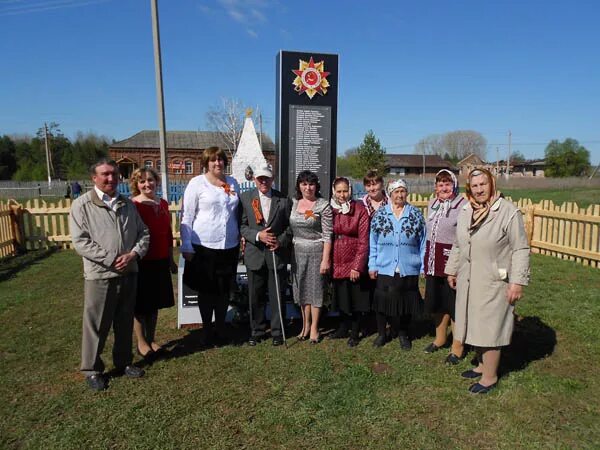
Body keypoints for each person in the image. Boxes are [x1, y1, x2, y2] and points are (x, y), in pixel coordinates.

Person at [445, 168, 530, 394]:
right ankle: (482, 365)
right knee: (474, 321)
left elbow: (521, 248)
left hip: (494, 279)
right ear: (469, 188)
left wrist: (517, 282)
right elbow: (458, 243)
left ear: (491, 184)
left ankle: (490, 377)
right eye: (475, 186)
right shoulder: (466, 210)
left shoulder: (508, 212)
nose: (479, 189)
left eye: (483, 184)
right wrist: (452, 269)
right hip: (469, 276)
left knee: (490, 326)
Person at [69, 158, 149, 391]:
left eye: (114, 174)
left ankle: (124, 362)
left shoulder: (127, 204)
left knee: (124, 322)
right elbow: (81, 242)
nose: (111, 178)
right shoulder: (82, 205)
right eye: (105, 174)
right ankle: (93, 370)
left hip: (129, 272)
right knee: (97, 324)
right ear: (94, 178)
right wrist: (111, 258)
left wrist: (133, 254)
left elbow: (143, 233)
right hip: (101, 275)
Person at [181, 147, 240, 346]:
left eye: (221, 160)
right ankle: (207, 329)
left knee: (224, 290)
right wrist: (186, 244)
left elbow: (236, 213)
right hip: (204, 245)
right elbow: (187, 215)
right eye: (213, 160)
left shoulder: (233, 183)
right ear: (206, 163)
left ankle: (221, 327)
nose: (218, 164)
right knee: (206, 290)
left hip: (228, 244)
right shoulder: (197, 183)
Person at [368, 179, 426, 350]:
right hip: (385, 265)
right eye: (396, 192)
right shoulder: (380, 215)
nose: (400, 195)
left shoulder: (415, 214)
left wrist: (422, 266)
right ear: (390, 194)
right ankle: (381, 333)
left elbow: (423, 243)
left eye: (403, 191)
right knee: (382, 301)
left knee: (406, 302)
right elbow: (373, 241)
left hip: (409, 266)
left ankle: (403, 333)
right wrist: (372, 264)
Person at [239, 165, 292, 346]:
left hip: (275, 254)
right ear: (254, 179)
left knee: (277, 295)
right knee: (256, 295)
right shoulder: (246, 198)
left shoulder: (283, 199)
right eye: (260, 178)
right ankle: (257, 330)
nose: (263, 181)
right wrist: (258, 235)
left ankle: (278, 331)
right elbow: (242, 226)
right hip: (255, 254)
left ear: (272, 179)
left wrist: (280, 241)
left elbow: (290, 227)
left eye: (267, 178)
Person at [129, 168, 177, 358]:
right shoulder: (133, 205)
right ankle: (141, 343)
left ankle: (151, 339)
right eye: (142, 181)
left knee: (155, 303)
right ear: (136, 184)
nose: (147, 184)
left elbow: (167, 233)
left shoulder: (163, 203)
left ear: (156, 181)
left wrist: (171, 259)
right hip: (142, 261)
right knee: (141, 305)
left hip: (161, 260)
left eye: (150, 180)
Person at [423, 169, 467, 364]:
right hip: (433, 259)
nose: (444, 188)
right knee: (438, 303)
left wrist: (457, 266)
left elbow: (463, 237)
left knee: (454, 305)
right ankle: (440, 338)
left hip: (452, 260)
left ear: (454, 185)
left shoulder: (463, 205)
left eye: (447, 184)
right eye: (440, 184)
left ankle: (457, 347)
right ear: (435, 187)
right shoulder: (432, 204)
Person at [289, 170, 333, 344]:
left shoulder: (323, 205)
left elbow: (328, 235)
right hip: (297, 253)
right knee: (301, 290)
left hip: (316, 251)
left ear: (317, 186)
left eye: (311, 184)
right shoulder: (293, 203)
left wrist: (325, 259)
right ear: (299, 186)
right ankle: (305, 326)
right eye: (304, 184)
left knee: (315, 290)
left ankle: (315, 327)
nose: (308, 188)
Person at [328, 177, 371, 347]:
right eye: (338, 191)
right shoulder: (330, 209)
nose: (342, 195)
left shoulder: (359, 209)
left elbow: (363, 240)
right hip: (336, 258)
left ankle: (355, 330)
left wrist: (357, 266)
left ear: (350, 191)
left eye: (345, 190)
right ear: (334, 192)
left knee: (355, 298)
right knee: (342, 296)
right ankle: (343, 326)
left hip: (352, 257)